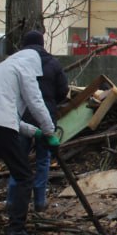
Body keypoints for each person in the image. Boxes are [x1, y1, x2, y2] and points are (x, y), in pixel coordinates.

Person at [0, 43, 59, 235]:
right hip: (1, 128)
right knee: (24, 175)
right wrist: (49, 131)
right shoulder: (24, 68)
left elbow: (4, 114)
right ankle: (16, 229)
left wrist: (33, 131)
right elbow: (36, 101)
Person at [5, 30, 69, 215]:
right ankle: (39, 201)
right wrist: (51, 103)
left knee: (18, 159)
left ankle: (11, 200)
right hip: (46, 116)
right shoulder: (53, 63)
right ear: (42, 43)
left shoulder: (16, 63)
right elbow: (63, 90)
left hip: (23, 116)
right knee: (43, 161)